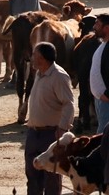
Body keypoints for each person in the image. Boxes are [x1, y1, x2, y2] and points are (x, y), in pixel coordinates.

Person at [24, 42, 75, 195]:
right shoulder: (39, 73)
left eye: (34, 55)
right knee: (32, 173)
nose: (31, 58)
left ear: (42, 58)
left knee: (51, 176)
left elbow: (68, 103)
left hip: (51, 134)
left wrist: (63, 127)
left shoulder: (59, 76)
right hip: (33, 133)